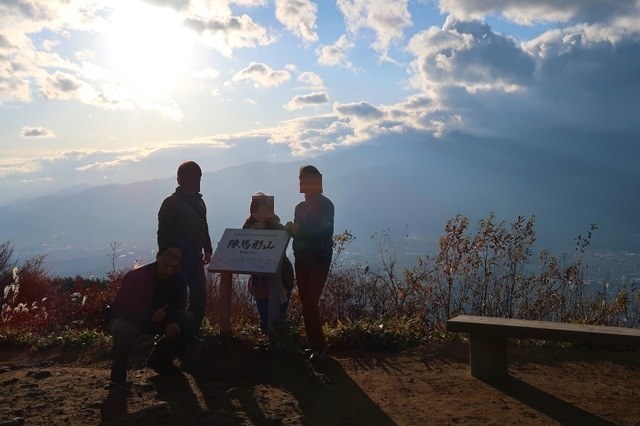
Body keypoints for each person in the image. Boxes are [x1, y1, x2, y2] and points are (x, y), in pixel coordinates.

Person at [108, 247, 195, 384]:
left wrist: (172, 322)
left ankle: (160, 360)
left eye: (178, 258)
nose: (175, 261)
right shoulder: (136, 276)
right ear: (159, 256)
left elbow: (178, 306)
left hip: (161, 320)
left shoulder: (178, 279)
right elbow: (122, 308)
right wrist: (149, 316)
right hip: (132, 320)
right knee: (123, 328)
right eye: (172, 255)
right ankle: (118, 373)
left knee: (186, 319)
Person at [285, 165, 334, 361]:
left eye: (307, 179)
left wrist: (299, 231)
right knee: (306, 303)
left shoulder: (326, 204)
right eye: (302, 179)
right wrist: (290, 229)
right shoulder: (300, 207)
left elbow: (325, 232)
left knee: (310, 303)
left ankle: (320, 349)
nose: (303, 183)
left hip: (319, 259)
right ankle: (316, 346)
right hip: (301, 258)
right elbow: (300, 230)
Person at [157, 161, 212, 335]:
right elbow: (163, 233)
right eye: (193, 178)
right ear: (180, 180)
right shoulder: (171, 203)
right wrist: (169, 253)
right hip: (176, 261)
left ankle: (191, 332)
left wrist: (208, 248)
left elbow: (204, 226)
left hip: (195, 258)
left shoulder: (199, 202)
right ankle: (174, 337)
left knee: (200, 297)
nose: (197, 181)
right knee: (177, 299)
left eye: (198, 178)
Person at [242, 192, 294, 332]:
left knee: (278, 317)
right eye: (258, 209)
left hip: (281, 276)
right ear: (252, 210)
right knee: (264, 316)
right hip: (260, 279)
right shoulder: (247, 228)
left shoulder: (277, 227)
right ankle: (268, 343)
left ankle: (277, 344)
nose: (261, 213)